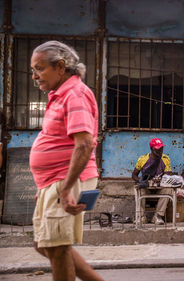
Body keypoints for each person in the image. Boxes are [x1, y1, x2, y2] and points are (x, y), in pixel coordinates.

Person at [29, 41, 103, 281]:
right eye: (33, 70)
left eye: (39, 69)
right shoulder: (59, 95)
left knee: (57, 248)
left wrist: (66, 188)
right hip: (54, 180)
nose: (34, 76)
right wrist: (46, 187)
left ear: (60, 67)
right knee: (44, 245)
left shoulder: (75, 94)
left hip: (67, 178)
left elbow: (84, 144)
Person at [132, 138, 174, 224]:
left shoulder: (165, 159)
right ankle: (141, 216)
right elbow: (134, 175)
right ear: (151, 149)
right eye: (157, 149)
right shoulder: (143, 159)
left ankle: (157, 216)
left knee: (169, 190)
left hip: (159, 188)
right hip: (147, 187)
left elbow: (167, 175)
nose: (160, 151)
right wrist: (140, 181)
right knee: (139, 189)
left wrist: (167, 176)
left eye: (161, 148)